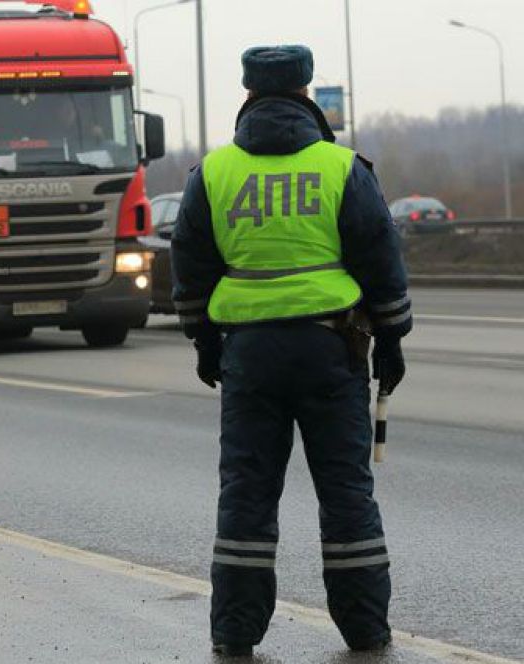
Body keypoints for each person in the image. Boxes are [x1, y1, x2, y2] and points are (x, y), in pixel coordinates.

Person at [170, 45, 412, 656]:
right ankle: (365, 630)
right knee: (346, 493)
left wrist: (203, 340)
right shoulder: (341, 168)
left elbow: (191, 264)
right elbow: (379, 256)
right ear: (307, 96)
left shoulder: (214, 173)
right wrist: (392, 338)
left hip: (248, 355)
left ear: (247, 97)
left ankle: (234, 634)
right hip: (333, 350)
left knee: (247, 493)